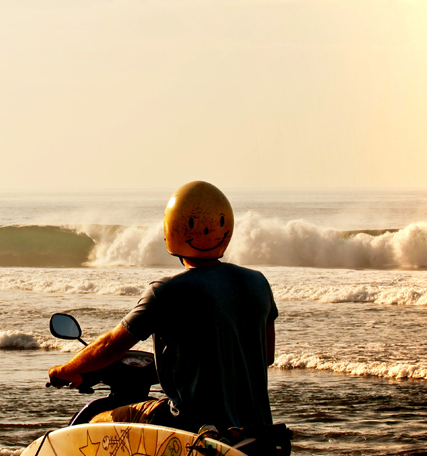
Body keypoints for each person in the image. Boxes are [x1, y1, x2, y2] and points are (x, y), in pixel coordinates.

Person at [49, 181, 278, 437]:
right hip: (259, 434)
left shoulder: (166, 291)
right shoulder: (258, 283)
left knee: (97, 422)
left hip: (192, 429)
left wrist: (65, 370)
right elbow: (265, 355)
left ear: (172, 229)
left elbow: (110, 345)